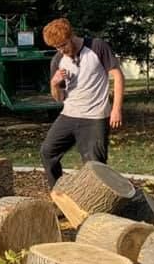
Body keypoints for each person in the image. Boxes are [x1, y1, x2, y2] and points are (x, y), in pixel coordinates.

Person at [40, 17, 125, 188]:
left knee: (95, 166)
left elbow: (117, 76)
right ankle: (59, 195)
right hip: (69, 115)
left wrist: (116, 109)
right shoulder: (57, 60)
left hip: (95, 117)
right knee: (47, 152)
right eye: (57, 48)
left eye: (64, 45)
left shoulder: (96, 46)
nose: (61, 50)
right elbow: (59, 98)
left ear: (72, 36)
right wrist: (54, 84)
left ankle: (99, 207)